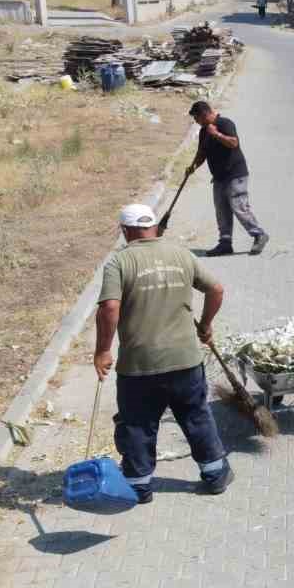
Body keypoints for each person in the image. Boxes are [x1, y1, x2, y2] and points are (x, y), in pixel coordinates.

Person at [94, 203, 233, 502]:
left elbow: (109, 307)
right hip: (185, 360)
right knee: (196, 417)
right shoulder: (181, 254)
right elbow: (216, 289)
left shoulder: (119, 263)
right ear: (154, 226)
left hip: (139, 366)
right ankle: (215, 475)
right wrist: (206, 325)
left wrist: (103, 351)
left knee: (139, 424)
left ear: (125, 231)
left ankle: (139, 486)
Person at [187, 100, 269, 257]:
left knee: (239, 206)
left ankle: (259, 235)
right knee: (222, 210)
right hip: (219, 177)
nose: (196, 122)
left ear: (204, 114)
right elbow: (202, 153)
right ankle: (225, 243)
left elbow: (233, 143)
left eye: (197, 119)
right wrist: (192, 167)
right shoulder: (204, 131)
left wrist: (216, 134)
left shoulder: (224, 123)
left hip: (235, 174)